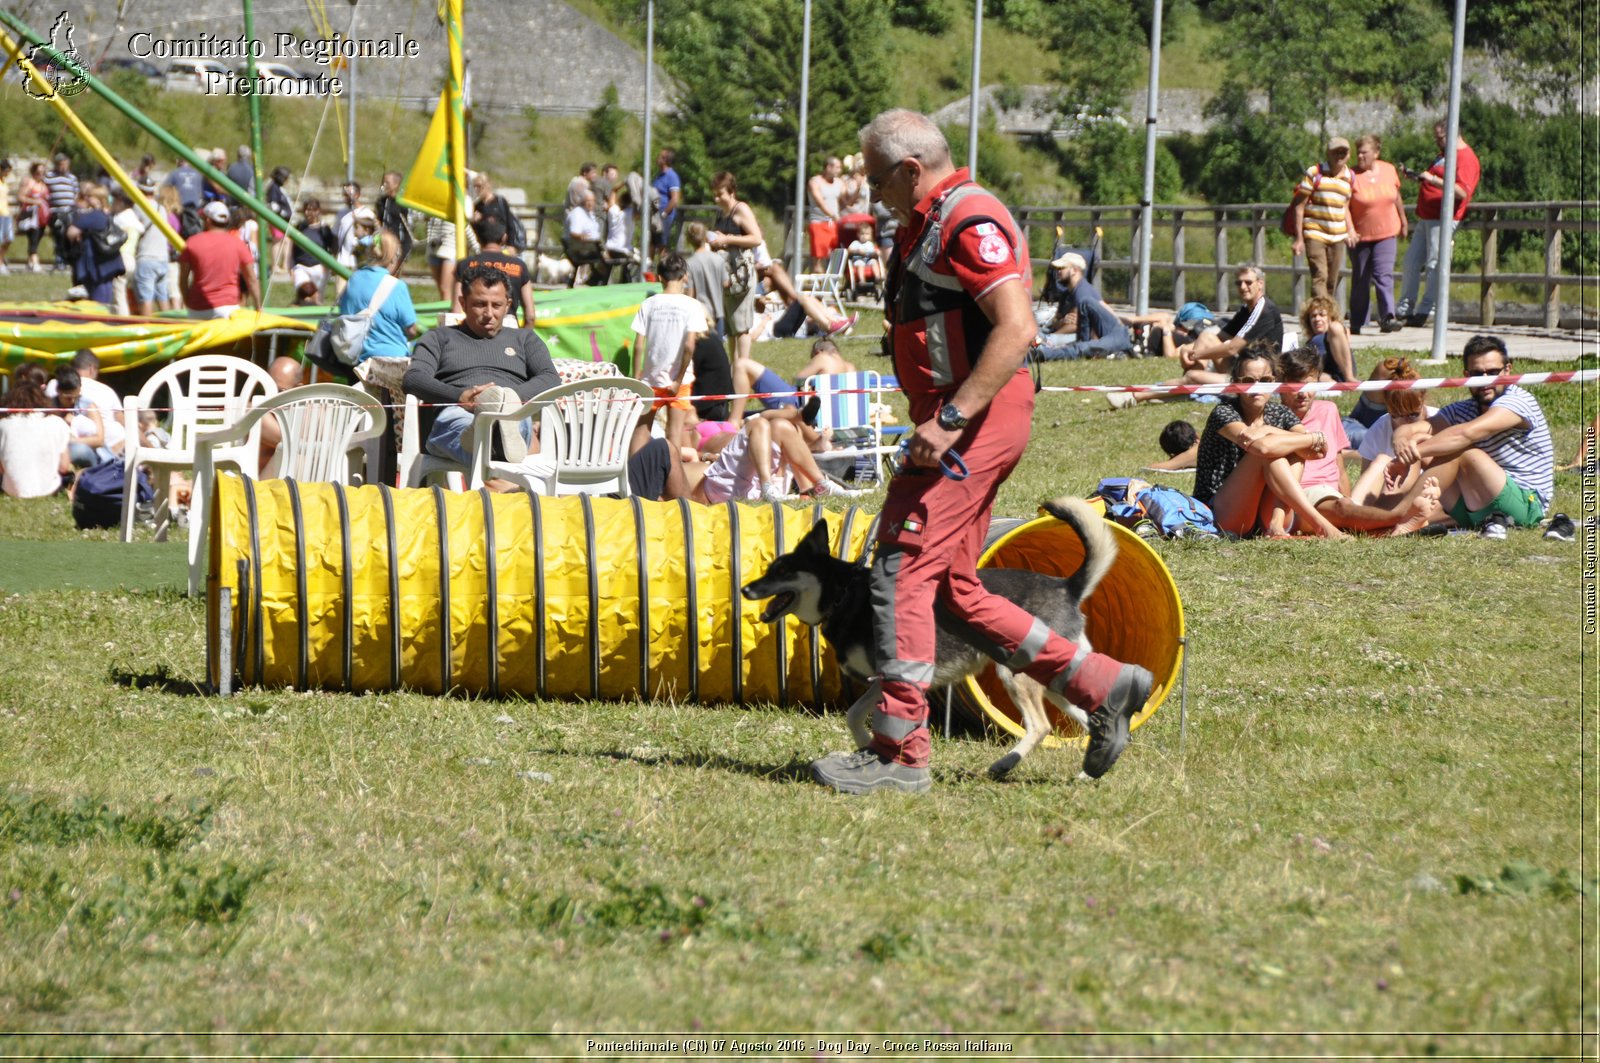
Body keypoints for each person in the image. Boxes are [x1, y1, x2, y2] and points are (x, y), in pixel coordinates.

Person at [809, 108, 1152, 796]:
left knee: (901, 569)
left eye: (877, 180)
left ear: (911, 169)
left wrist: (953, 417)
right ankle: (1102, 683)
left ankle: (897, 753)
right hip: (953, 420)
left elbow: (1018, 325)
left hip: (970, 421)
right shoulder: (927, 223)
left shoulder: (969, 219)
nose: (870, 194)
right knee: (956, 594)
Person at [1390, 334, 1553, 536]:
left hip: (1526, 506)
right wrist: (1401, 442)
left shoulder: (1518, 401)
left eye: (1493, 372)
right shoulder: (1464, 409)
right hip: (1476, 507)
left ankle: (1398, 515)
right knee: (1426, 440)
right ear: (1466, 375)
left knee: (1462, 451)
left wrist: (1410, 456)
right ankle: (1391, 513)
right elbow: (1411, 429)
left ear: (1508, 370)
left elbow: (1466, 434)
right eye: (1478, 374)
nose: (1486, 381)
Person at [403, 265, 561, 466]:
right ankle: (489, 440)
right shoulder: (439, 337)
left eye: (496, 305)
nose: (489, 313)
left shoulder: (525, 339)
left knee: (513, 422)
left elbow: (550, 378)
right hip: (459, 412)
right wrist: (459, 397)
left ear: (508, 305)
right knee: (461, 423)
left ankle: (488, 438)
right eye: (480, 304)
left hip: (513, 413)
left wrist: (508, 398)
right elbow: (413, 378)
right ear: (463, 302)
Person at [1275, 346, 1437, 536]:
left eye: (1309, 385)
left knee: (1383, 459)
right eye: (1295, 386)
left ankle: (1386, 527)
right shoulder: (1275, 418)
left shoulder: (1328, 410)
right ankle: (1401, 517)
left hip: (1332, 495)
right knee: (1342, 508)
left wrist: (1350, 499)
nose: (1303, 393)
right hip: (1302, 496)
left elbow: (1339, 466)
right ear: (1280, 385)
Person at [1189, 343, 1343, 539]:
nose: (1257, 387)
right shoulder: (1224, 412)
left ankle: (1276, 524)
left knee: (1295, 452)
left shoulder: (1280, 413)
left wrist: (1272, 430)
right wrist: (1306, 438)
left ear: (1275, 381)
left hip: (1262, 516)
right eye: (1248, 381)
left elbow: (1316, 451)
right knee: (1267, 454)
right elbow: (1261, 448)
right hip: (1220, 516)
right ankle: (1320, 524)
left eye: (1265, 380)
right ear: (1236, 382)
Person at [1109, 265, 1283, 408]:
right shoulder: (1247, 309)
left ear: (1260, 284)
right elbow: (1221, 336)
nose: (1243, 287)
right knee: (1206, 337)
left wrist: (1197, 355)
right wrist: (1189, 348)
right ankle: (1185, 386)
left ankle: (1135, 396)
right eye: (1239, 283)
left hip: (1257, 379)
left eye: (1248, 282)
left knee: (1194, 376)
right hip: (1244, 368)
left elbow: (1232, 347)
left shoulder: (1264, 309)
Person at [1396, 121, 1480, 327]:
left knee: (1435, 263)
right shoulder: (1444, 154)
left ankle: (1428, 310)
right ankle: (1404, 309)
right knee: (1411, 262)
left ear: (1454, 134)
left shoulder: (1466, 157)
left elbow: (1462, 191)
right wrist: (1419, 177)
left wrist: (1432, 179)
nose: (1438, 142)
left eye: (1441, 137)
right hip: (1427, 216)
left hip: (1444, 218)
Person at [628, 251, 707, 456]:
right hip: (679, 382)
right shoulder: (692, 306)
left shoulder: (648, 304)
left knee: (641, 430)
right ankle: (671, 481)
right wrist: (678, 379)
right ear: (685, 277)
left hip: (650, 380)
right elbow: (689, 346)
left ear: (660, 277)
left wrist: (637, 378)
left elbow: (638, 345)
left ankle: (633, 479)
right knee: (674, 433)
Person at [1348, 134, 1407, 334]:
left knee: (1384, 275)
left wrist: (1403, 220)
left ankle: (1388, 317)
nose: (1360, 157)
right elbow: (1344, 205)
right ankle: (1357, 321)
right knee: (1361, 280)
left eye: (1364, 152)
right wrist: (1349, 229)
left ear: (1376, 152)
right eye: (1359, 153)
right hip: (1360, 236)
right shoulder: (1351, 175)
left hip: (1387, 232)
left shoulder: (1389, 170)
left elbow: (1396, 196)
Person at [1289, 136, 1356, 301]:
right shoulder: (1315, 172)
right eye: (1336, 152)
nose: (1339, 156)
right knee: (1320, 275)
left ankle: (1324, 317)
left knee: (1332, 280)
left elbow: (1345, 207)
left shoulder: (1350, 177)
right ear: (1328, 154)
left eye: (1344, 152)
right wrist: (1299, 238)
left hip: (1338, 235)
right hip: (1315, 232)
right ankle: (1319, 317)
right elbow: (1299, 205)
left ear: (1349, 155)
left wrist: (1351, 230)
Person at [1034, 251, 1133, 360]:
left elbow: (1075, 326)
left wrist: (1050, 338)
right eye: (1057, 269)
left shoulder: (1082, 292)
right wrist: (1061, 322)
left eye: (1062, 268)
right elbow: (1057, 321)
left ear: (1075, 270)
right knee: (1036, 333)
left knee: (1051, 340)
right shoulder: (1067, 293)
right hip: (1080, 336)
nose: (1058, 272)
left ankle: (1043, 352)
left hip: (1105, 335)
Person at [179, 199, 260, 318]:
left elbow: (183, 279)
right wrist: (258, 306)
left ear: (207, 220)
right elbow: (251, 279)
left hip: (197, 308)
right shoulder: (238, 244)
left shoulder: (192, 243)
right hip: (228, 308)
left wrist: (188, 301)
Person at [451, 218, 536, 325]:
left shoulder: (464, 265)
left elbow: (456, 311)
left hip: (474, 332)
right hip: (509, 331)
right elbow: (530, 316)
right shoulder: (519, 266)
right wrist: (524, 339)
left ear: (477, 237)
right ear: (504, 238)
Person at [0, 380, 71, 498]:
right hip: (49, 490)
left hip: (12, 490)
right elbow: (64, 466)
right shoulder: (58, 423)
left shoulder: (3, 425)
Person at [65, 184, 124, 309]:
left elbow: (71, 232)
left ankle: (97, 319)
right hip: (108, 261)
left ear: (98, 198)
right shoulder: (107, 214)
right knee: (106, 292)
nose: (86, 198)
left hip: (96, 262)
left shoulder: (91, 216)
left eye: (89, 196)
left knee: (97, 297)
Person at [290, 197, 338, 305]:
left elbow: (332, 247)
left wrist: (331, 264)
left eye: (312, 210)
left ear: (318, 211)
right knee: (302, 294)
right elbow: (293, 248)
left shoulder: (324, 229)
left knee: (317, 298)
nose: (309, 213)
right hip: (301, 266)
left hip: (319, 267)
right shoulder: (299, 227)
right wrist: (291, 265)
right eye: (306, 210)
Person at [684, 220, 728, 338]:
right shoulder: (718, 259)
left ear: (688, 240)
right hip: (718, 313)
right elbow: (726, 283)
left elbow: (690, 293)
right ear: (705, 237)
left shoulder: (690, 263)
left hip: (700, 314)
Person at [1299, 296, 1356, 382]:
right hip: (1325, 377)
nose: (1317, 319)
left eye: (1322, 315)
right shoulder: (1310, 342)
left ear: (1330, 318)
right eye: (1313, 316)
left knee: (1335, 327)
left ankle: (1349, 378)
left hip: (1341, 371)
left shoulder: (1335, 330)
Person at [805, 154, 845, 271]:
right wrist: (833, 215)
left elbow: (847, 200)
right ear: (828, 167)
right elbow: (820, 202)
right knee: (818, 257)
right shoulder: (815, 182)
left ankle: (831, 283)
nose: (840, 170)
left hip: (834, 224)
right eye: (837, 167)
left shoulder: (839, 182)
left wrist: (858, 185)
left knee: (834, 255)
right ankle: (818, 284)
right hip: (819, 222)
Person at [374, 170, 414, 265]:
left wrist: (405, 248)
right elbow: (379, 219)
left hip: (399, 244)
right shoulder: (382, 202)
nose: (384, 185)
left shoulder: (403, 203)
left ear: (396, 184)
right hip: (384, 243)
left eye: (387, 183)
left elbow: (409, 226)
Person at [18, 162, 51, 273]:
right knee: (33, 238)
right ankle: (35, 262)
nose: (40, 174)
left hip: (42, 217)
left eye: (42, 172)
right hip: (31, 216)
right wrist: (35, 201)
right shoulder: (29, 183)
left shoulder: (43, 185)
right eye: (38, 172)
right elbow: (21, 197)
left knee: (37, 238)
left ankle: (30, 262)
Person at [650, 149, 682, 253]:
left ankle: (665, 267)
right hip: (654, 214)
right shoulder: (659, 175)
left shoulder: (672, 176)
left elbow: (675, 198)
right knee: (651, 243)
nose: (657, 158)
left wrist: (664, 214)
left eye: (660, 156)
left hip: (663, 216)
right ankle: (648, 268)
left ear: (665, 160)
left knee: (661, 245)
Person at [0, 159, 13, 275]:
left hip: (6, 213)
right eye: (6, 171)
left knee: (8, 239)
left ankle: (1, 260)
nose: (7, 174)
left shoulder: (4, 182)